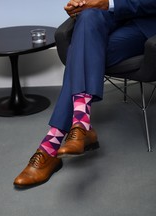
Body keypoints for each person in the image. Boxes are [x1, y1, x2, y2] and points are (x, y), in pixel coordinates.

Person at [14, 0, 156, 188]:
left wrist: (109, 3)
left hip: (144, 25)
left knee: (79, 51)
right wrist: (80, 5)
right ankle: (80, 124)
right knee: (87, 17)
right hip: (104, 19)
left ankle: (51, 145)